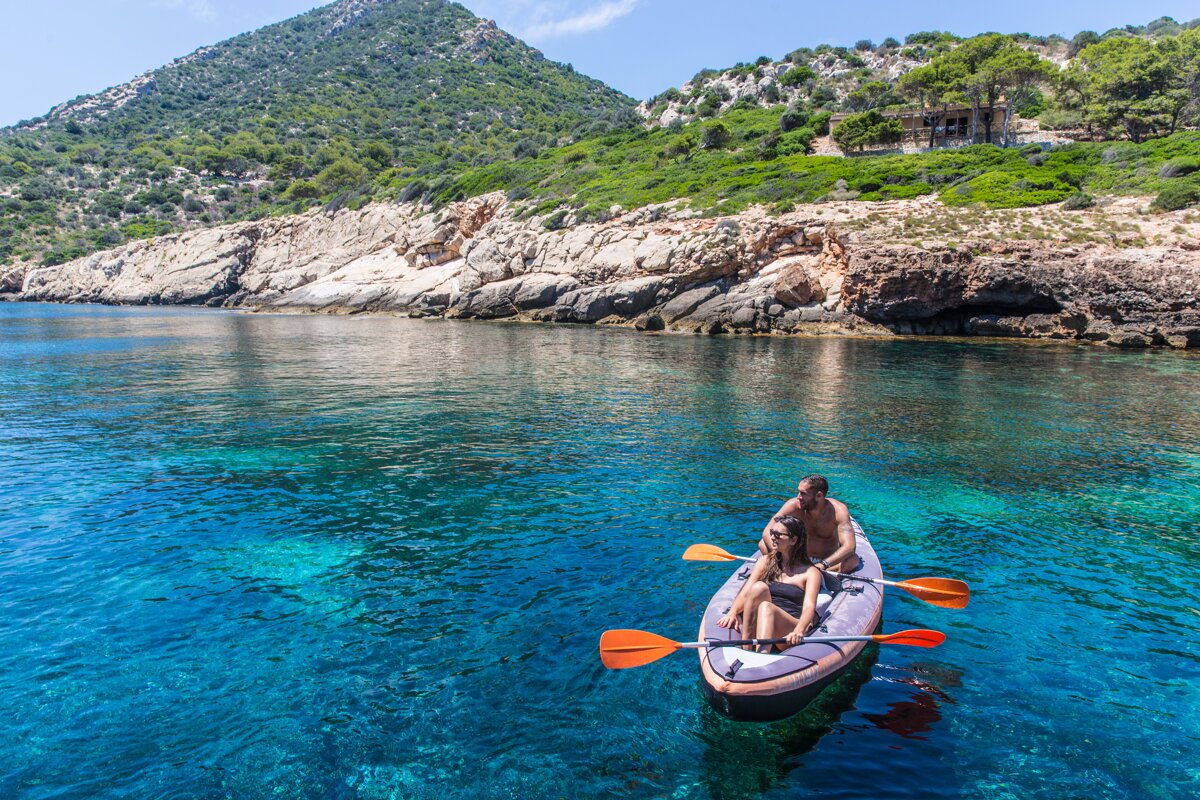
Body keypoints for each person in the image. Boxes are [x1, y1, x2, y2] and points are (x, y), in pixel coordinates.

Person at [715, 514, 822, 652]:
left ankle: (762, 653)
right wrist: (733, 612)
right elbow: (747, 592)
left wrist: (799, 631)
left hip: (788, 628)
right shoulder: (765, 562)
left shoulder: (810, 572)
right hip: (762, 621)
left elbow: (809, 607)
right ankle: (746, 647)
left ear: (793, 540)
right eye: (772, 533)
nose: (772, 537)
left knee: (767, 607)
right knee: (758, 587)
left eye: (777, 534)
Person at [758, 475, 858, 573]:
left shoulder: (838, 511)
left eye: (803, 493)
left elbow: (849, 546)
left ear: (819, 495)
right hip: (799, 558)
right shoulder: (794, 506)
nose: (798, 497)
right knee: (763, 544)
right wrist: (785, 556)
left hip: (827, 561)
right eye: (798, 492)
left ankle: (819, 574)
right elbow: (767, 531)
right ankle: (790, 568)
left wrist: (822, 565)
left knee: (852, 560)